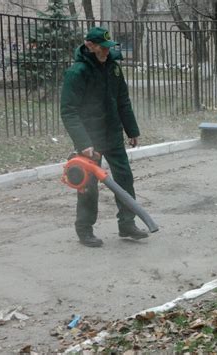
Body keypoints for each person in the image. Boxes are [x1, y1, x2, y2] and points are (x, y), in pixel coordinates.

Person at [61, 27, 148, 247]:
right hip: (90, 138)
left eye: (109, 48)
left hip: (113, 134)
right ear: (89, 45)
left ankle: (127, 224)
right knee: (88, 185)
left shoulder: (113, 68)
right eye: (103, 47)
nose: (107, 52)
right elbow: (68, 111)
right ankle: (85, 229)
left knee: (124, 178)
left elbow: (122, 101)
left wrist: (132, 130)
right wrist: (84, 143)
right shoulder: (77, 72)